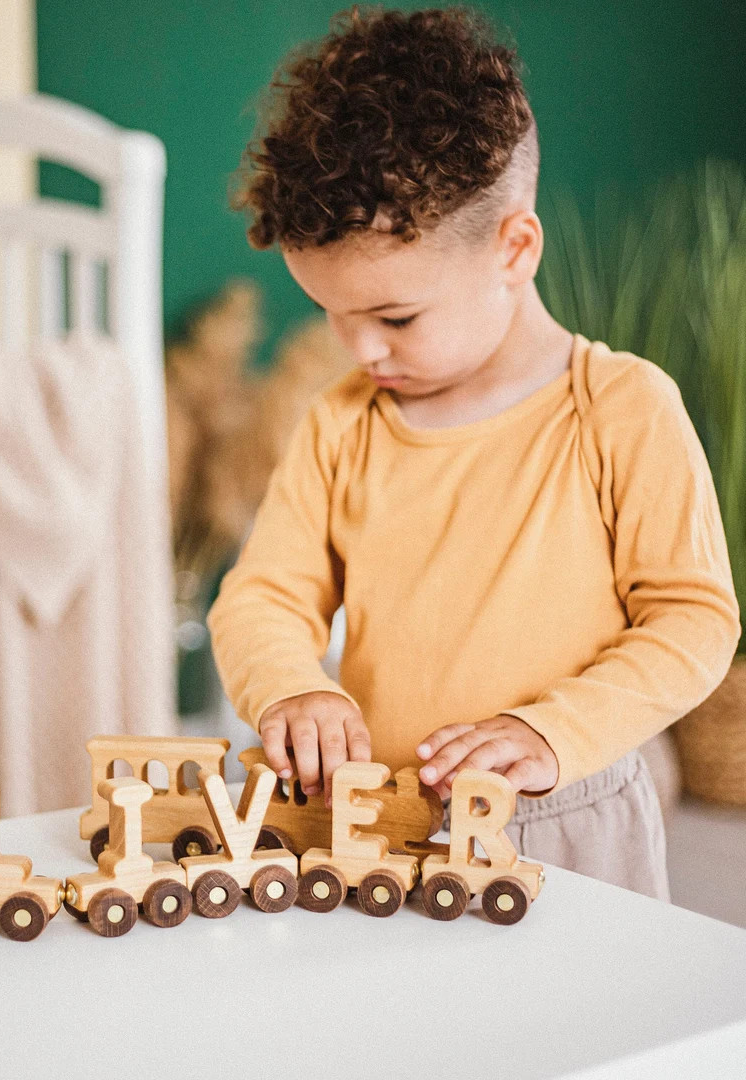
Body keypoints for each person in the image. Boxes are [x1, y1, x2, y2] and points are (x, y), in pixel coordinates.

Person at [206, 5, 741, 900]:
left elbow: (693, 620)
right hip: (387, 822)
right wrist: (292, 688)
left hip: (568, 815)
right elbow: (264, 595)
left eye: (394, 317)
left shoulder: (620, 407)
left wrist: (549, 732)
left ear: (514, 248)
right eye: (333, 313)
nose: (359, 349)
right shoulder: (341, 424)